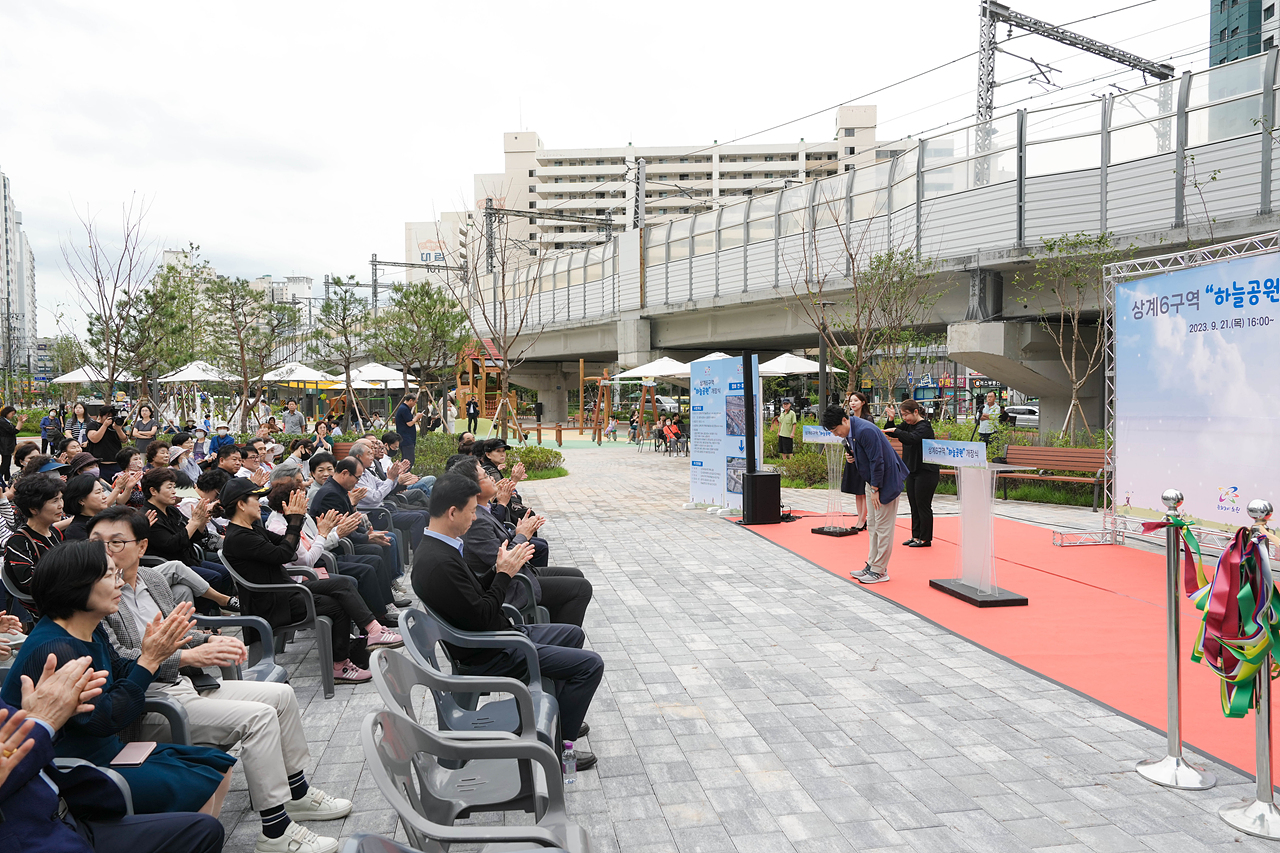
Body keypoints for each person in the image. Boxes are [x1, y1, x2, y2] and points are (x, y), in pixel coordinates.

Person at [91, 508, 351, 853]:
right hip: (151, 701)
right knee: (257, 718)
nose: (105, 550)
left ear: (141, 547)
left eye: (116, 542)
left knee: (282, 696)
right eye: (97, 542)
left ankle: (298, 794)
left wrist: (209, 641)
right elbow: (122, 657)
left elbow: (178, 633)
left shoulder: (153, 579)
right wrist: (185, 657)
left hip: (183, 686)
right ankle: (275, 831)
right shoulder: (97, 595)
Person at [2, 541, 238, 818]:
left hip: (104, 752)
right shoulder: (57, 649)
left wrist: (152, 654)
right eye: (110, 576)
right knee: (198, 786)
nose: (120, 582)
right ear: (74, 586)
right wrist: (148, 661)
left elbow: (121, 668)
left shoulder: (89, 628)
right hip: (72, 770)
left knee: (219, 766)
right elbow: (106, 719)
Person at [413, 473, 602, 771]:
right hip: (492, 651)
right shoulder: (438, 562)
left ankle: (558, 719)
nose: (475, 518)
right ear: (452, 512)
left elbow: (473, 597)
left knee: (573, 635)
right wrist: (504, 575)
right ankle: (556, 750)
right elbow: (483, 614)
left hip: (498, 634)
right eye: (472, 511)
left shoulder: (439, 548)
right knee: (591, 665)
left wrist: (498, 571)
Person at [0, 653, 227, 853]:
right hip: (31, 835)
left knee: (204, 828)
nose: (117, 600)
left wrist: (47, 717)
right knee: (197, 784)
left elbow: (23, 731)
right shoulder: (55, 644)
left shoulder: (91, 634)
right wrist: (44, 721)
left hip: (67, 813)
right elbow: (105, 719)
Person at [220, 479, 402, 684]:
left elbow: (286, 546)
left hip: (286, 591)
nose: (259, 503)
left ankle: (374, 631)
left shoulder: (252, 529)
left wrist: (294, 522)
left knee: (342, 583)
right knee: (335, 606)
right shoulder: (239, 537)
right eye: (255, 498)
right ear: (241, 504)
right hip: (273, 602)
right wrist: (295, 521)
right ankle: (340, 665)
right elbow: (284, 554)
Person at [452, 458, 592, 626]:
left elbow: (499, 543)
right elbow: (504, 561)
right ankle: (563, 640)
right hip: (514, 585)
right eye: (486, 475)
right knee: (581, 588)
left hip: (522, 575)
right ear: (474, 488)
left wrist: (517, 531)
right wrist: (522, 535)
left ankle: (555, 629)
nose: (492, 478)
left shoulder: (483, 511)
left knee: (576, 575)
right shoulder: (477, 520)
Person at [264, 483, 394, 624]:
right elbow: (309, 557)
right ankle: (373, 620)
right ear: (288, 505)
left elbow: (315, 539)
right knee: (360, 573)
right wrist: (332, 534)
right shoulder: (281, 527)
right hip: (307, 571)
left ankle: (381, 612)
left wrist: (336, 528)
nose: (306, 503)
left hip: (321, 558)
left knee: (374, 559)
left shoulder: (300, 518)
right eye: (302, 500)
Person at [821, 405, 907, 584]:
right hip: (873, 482)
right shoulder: (851, 431)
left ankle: (880, 570)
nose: (836, 434)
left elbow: (878, 461)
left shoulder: (865, 430)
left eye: (836, 430)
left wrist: (876, 489)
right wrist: (852, 457)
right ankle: (872, 564)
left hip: (885, 482)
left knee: (883, 528)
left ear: (845, 420)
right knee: (874, 525)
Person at [140, 467, 235, 600]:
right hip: (169, 564)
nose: (174, 491)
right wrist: (194, 522)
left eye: (174, 487)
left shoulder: (172, 511)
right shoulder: (149, 516)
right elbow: (171, 545)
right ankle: (204, 614)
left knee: (224, 572)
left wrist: (202, 520)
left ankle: (217, 611)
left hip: (188, 559)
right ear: (153, 491)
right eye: (169, 487)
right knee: (214, 577)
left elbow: (194, 536)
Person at [310, 457, 403, 586]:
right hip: (336, 545)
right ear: (344, 473)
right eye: (357, 477)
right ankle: (387, 592)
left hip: (345, 537)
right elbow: (342, 529)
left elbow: (350, 520)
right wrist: (366, 537)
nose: (358, 481)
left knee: (385, 541)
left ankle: (389, 586)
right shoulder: (330, 494)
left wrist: (367, 533)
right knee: (379, 548)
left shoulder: (338, 489)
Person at [3, 474, 65, 619]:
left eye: (61, 498)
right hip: (44, 608)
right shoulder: (19, 541)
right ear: (33, 508)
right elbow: (30, 583)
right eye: (54, 500)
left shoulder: (54, 532)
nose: (61, 505)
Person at [346, 442, 427, 550]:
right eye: (369, 453)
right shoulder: (356, 477)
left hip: (384, 509)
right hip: (374, 515)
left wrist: (394, 477)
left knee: (425, 513)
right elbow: (376, 497)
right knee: (418, 517)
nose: (372, 456)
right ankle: (419, 558)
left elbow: (382, 485)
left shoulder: (367, 472)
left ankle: (425, 550)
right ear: (358, 457)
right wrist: (390, 479)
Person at [883, 400, 940, 549]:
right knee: (913, 504)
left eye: (906, 414)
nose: (905, 418)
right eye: (902, 415)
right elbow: (891, 432)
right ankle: (916, 535)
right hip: (912, 470)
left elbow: (912, 439)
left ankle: (925, 538)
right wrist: (891, 420)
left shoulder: (924, 426)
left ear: (916, 412)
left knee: (923, 505)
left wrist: (897, 431)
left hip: (926, 471)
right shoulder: (907, 425)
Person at [839, 392, 875, 534]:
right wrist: (848, 454)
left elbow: (868, 441)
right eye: (851, 401)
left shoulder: (868, 419)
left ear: (863, 402)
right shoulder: (849, 419)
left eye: (856, 400)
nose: (853, 403)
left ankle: (863, 519)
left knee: (863, 490)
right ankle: (860, 518)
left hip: (863, 459)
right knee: (857, 492)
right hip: (852, 457)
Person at [61, 474, 116, 542]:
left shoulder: (108, 518)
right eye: (98, 492)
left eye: (102, 491)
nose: (104, 496)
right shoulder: (76, 530)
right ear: (81, 500)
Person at [86, 408, 129, 482]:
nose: (110, 419)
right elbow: (94, 439)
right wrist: (105, 425)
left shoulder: (115, 426)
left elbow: (124, 440)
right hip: (100, 465)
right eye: (107, 417)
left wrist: (118, 429)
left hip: (116, 464)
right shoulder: (93, 425)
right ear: (100, 415)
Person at [393, 394, 423, 469]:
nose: (414, 404)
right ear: (410, 400)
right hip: (406, 439)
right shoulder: (404, 409)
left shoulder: (404, 408)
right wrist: (417, 417)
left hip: (407, 438)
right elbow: (409, 423)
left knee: (408, 459)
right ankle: (404, 476)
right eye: (415, 402)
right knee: (408, 460)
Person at [0, 405, 27, 486]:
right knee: (5, 462)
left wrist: (21, 422)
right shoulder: (2, 421)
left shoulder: (6, 421)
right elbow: (13, 431)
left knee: (7, 462)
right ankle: (1, 477)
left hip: (8, 444)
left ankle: (7, 479)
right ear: (6, 413)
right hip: (4, 444)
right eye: (12, 413)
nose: (13, 415)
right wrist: (20, 422)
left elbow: (15, 430)